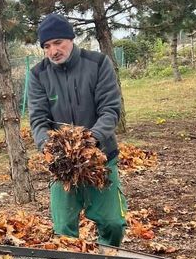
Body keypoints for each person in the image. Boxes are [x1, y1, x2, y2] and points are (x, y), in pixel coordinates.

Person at [27, 14, 127, 247]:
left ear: (71, 39)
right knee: (63, 230)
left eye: (58, 42)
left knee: (112, 222)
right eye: (47, 46)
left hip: (100, 157)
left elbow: (110, 110)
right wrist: (50, 148)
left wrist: (89, 142)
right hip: (63, 165)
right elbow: (38, 120)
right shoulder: (38, 75)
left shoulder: (98, 64)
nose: (53, 50)